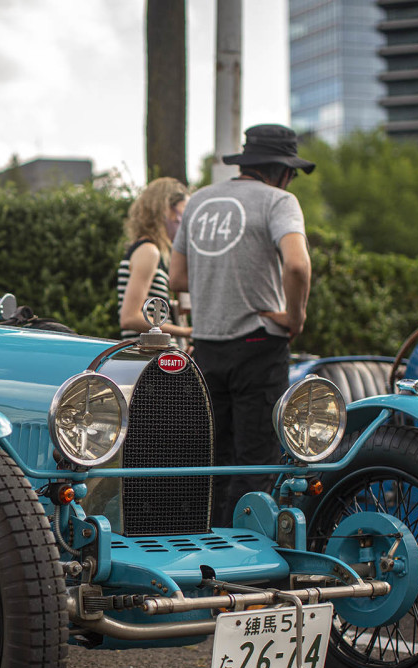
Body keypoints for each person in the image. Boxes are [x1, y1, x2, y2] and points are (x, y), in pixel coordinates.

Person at [169, 123, 314, 526]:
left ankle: (202, 551)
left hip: (207, 345)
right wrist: (294, 317)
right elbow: (298, 265)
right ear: (283, 170)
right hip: (259, 344)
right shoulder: (279, 201)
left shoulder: (198, 201)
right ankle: (245, 560)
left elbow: (177, 277)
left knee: (211, 458)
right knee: (255, 461)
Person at [118, 177, 192, 341]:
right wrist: (186, 332)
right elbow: (130, 317)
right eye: (183, 211)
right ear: (166, 210)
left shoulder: (149, 250)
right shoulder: (148, 251)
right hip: (147, 361)